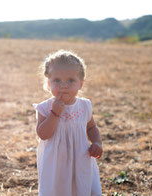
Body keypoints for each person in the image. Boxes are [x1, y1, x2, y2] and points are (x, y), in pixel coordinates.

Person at [33, 50, 103, 196]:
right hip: (56, 163)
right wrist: (54, 114)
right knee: (57, 189)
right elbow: (43, 134)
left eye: (71, 80)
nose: (63, 85)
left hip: (81, 158)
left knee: (81, 187)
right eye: (57, 80)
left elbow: (91, 127)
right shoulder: (45, 108)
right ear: (48, 83)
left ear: (81, 84)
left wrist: (97, 142)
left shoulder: (84, 106)